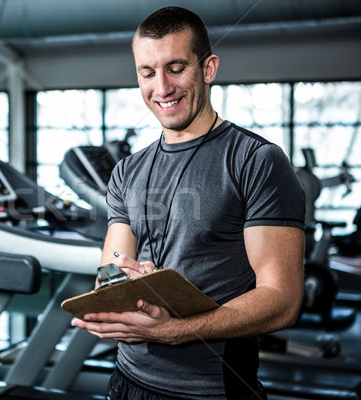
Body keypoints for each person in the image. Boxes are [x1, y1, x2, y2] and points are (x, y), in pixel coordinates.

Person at [71, 6, 306, 400]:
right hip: (126, 384)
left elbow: (282, 300)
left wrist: (173, 329)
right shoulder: (127, 171)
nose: (161, 88)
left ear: (208, 68)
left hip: (212, 390)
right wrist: (135, 284)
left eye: (176, 68)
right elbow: (107, 279)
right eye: (148, 73)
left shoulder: (256, 161)